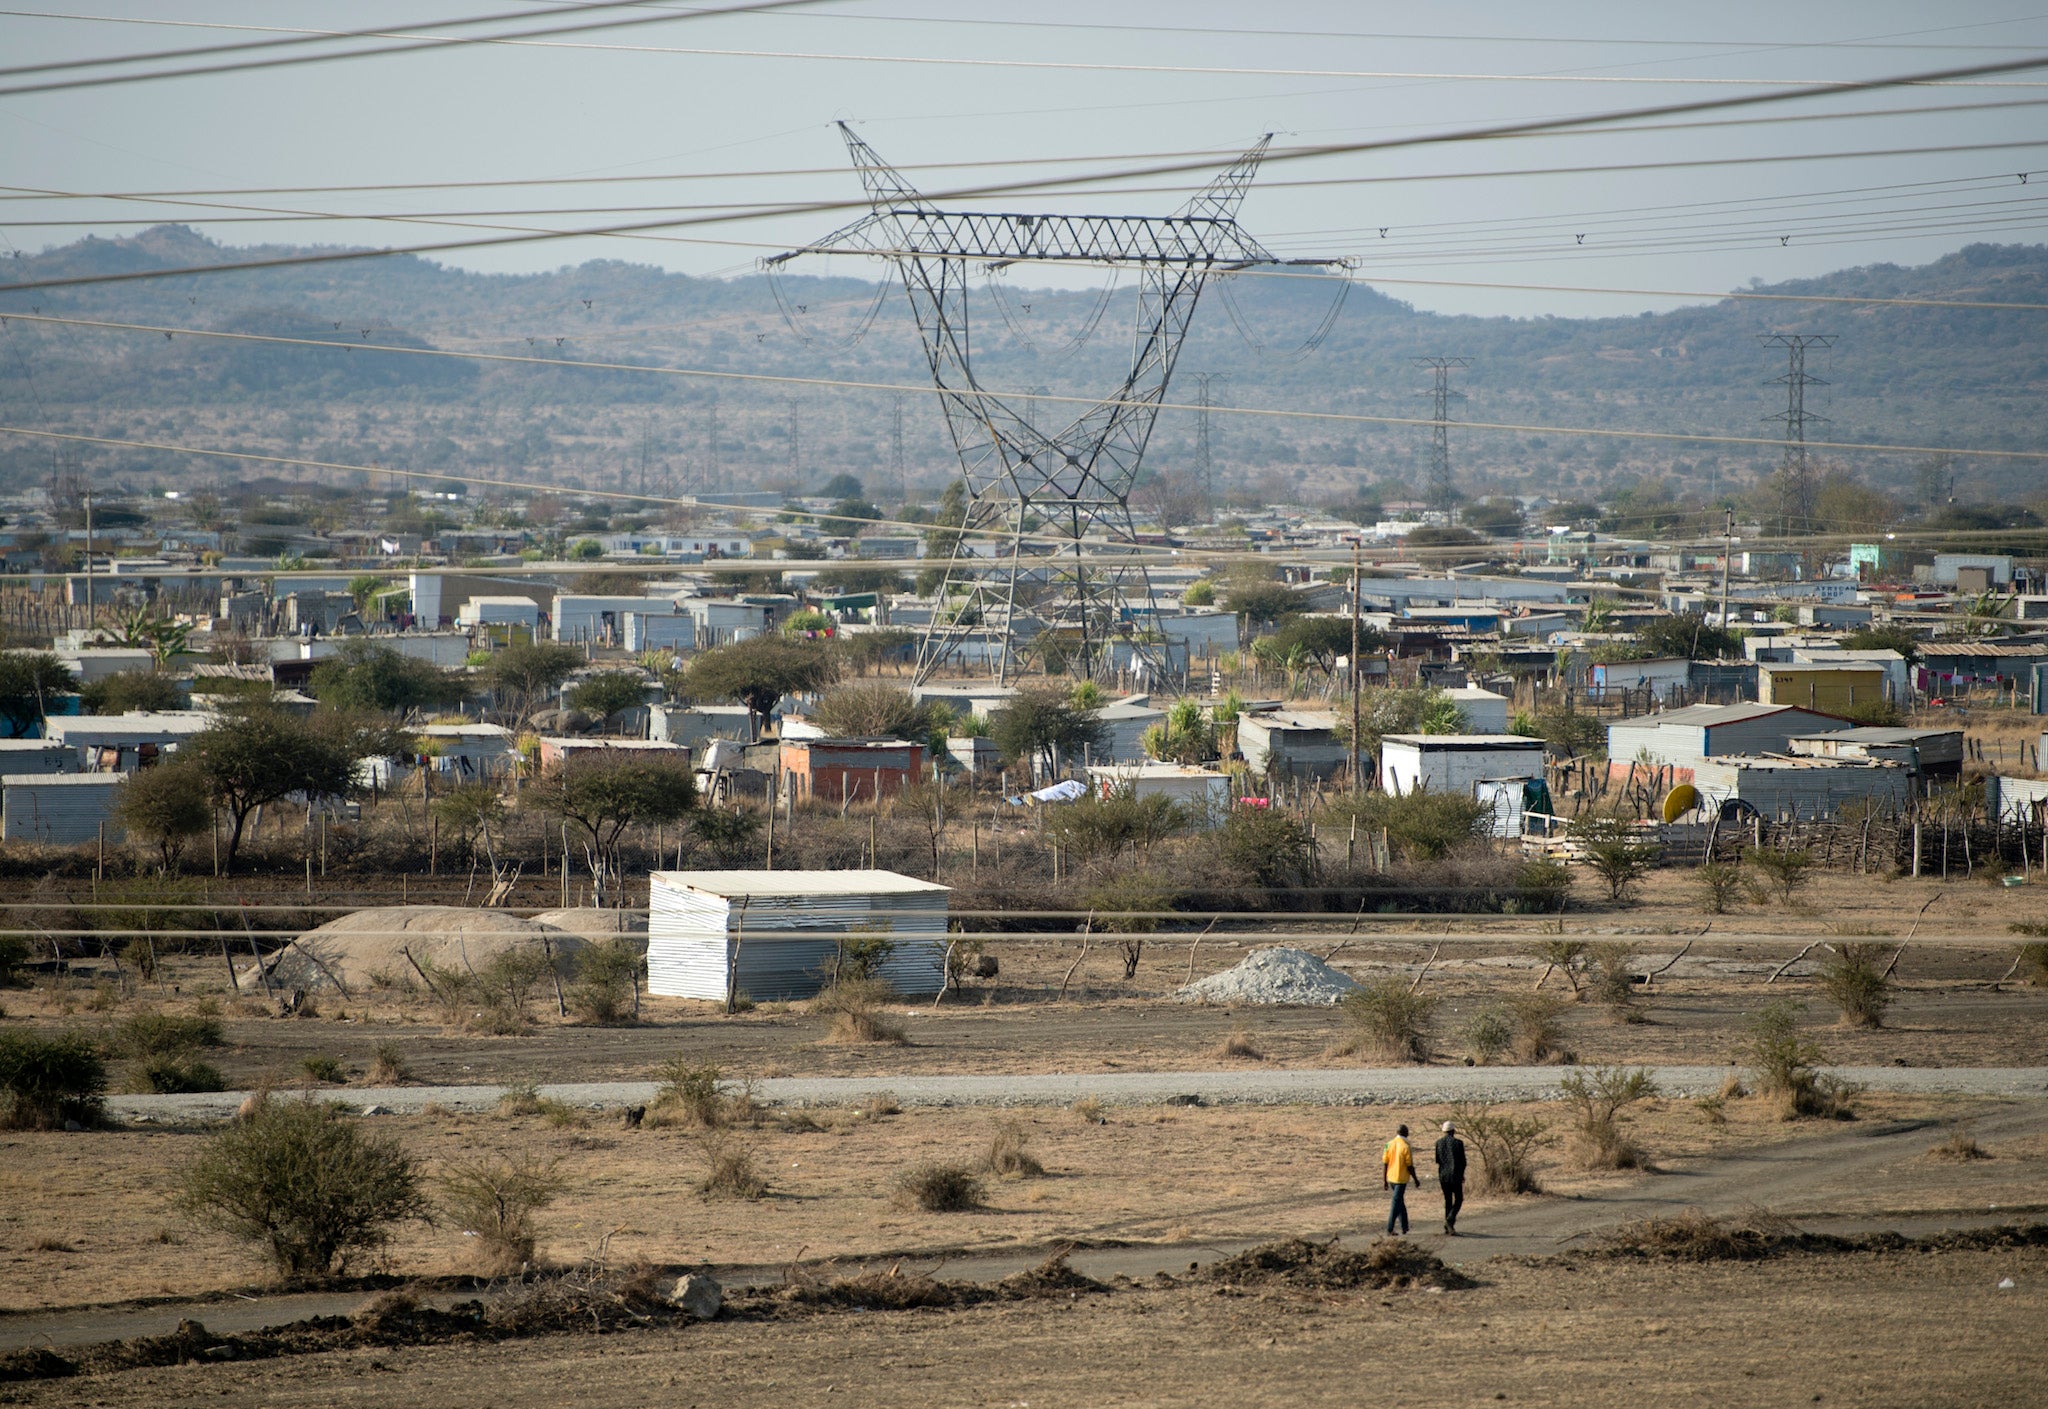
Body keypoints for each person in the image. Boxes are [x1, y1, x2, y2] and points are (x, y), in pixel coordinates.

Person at [1381, 1123, 1417, 1236]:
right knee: (1396, 1203)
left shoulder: (1388, 1144)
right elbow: (1410, 1166)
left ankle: (1404, 1226)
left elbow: (1385, 1163)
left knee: (1399, 1201)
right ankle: (1389, 1228)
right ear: (1406, 1133)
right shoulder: (1406, 1146)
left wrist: (1384, 1180)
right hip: (1401, 1179)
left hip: (1391, 1177)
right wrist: (1416, 1179)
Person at [1434, 1120, 1468, 1235]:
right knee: (1458, 1199)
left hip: (1443, 1175)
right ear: (1453, 1131)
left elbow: (1438, 1160)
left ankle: (1448, 1227)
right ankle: (1450, 1220)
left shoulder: (1438, 1143)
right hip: (1455, 1175)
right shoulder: (1458, 1143)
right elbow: (1463, 1162)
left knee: (1448, 1200)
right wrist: (1462, 1173)